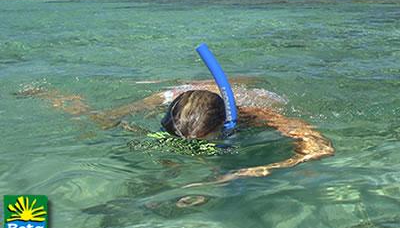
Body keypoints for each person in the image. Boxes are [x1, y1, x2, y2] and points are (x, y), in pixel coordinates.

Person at [23, 78, 334, 183]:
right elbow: (96, 118)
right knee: (106, 118)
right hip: (178, 95)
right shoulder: (168, 106)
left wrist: (256, 170)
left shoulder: (257, 114)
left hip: (227, 100)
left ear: (223, 127)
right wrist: (52, 97)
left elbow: (320, 148)